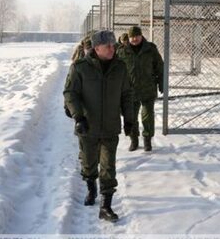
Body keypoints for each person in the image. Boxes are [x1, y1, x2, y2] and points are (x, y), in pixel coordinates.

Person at [63, 29, 133, 222]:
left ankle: (106, 206)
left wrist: (129, 119)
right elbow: (70, 93)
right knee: (88, 162)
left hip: (110, 126)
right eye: (108, 46)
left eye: (113, 45)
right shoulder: (80, 67)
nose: (113, 48)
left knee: (108, 166)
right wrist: (78, 117)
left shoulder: (120, 67)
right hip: (88, 126)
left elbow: (126, 95)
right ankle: (91, 187)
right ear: (96, 48)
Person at [117, 25, 164, 152]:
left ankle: (147, 140)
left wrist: (162, 83)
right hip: (130, 90)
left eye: (136, 36)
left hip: (148, 88)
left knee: (147, 116)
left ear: (141, 35)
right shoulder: (122, 51)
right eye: (132, 37)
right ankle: (134, 140)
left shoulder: (150, 49)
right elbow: (116, 71)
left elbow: (160, 66)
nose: (134, 39)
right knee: (131, 117)